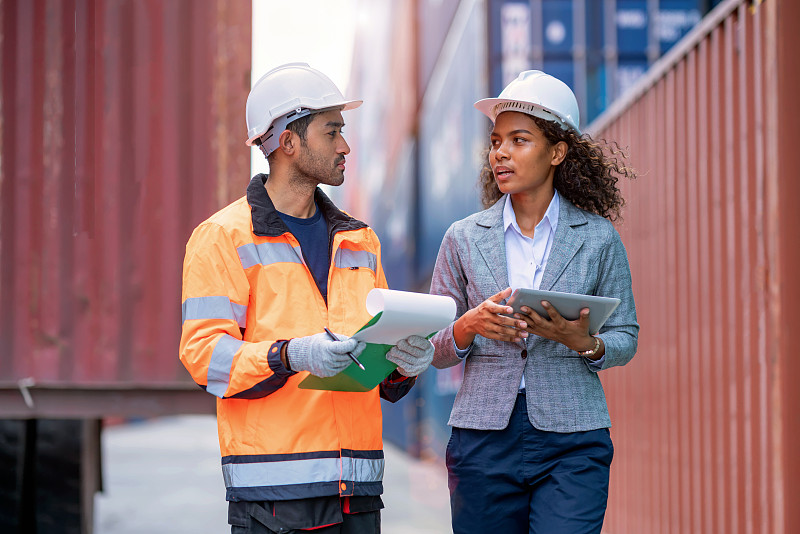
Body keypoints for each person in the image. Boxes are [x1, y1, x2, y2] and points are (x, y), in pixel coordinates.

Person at [179, 62, 434, 534]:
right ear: (289, 144)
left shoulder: (361, 240)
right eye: (332, 130)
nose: (346, 145)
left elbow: (370, 363)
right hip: (275, 499)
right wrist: (291, 355)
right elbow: (205, 357)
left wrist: (402, 363)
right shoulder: (222, 237)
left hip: (358, 493)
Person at [429, 70, 639, 534]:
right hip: (483, 440)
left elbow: (626, 336)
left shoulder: (599, 238)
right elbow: (432, 348)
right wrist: (470, 325)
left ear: (557, 152)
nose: (500, 152)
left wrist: (584, 342)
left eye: (519, 140)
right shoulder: (463, 238)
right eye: (496, 140)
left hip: (573, 438)